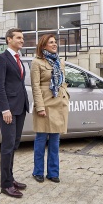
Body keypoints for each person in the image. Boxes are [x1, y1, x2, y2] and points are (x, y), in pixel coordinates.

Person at [0, 28, 30, 198]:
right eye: (19, 38)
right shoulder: (1, 59)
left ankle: (11, 177)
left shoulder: (18, 59)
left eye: (22, 38)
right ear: (9, 39)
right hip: (8, 109)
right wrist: (5, 108)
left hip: (20, 108)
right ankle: (5, 185)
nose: (22, 40)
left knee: (14, 144)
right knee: (7, 147)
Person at [30, 34, 69, 183]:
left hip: (59, 104)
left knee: (55, 140)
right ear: (43, 45)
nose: (55, 44)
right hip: (45, 105)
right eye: (51, 42)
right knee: (41, 139)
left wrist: (66, 96)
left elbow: (62, 82)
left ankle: (53, 173)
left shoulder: (60, 62)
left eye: (55, 42)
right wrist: (40, 107)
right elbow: (36, 86)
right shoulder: (37, 62)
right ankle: (38, 171)